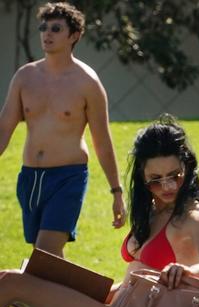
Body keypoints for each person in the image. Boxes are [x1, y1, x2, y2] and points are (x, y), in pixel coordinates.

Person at [0, 118, 199, 307]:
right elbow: (133, 282)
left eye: (174, 177)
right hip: (115, 305)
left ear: (187, 168)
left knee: (11, 283)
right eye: (155, 180)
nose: (167, 186)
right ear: (142, 177)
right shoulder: (153, 211)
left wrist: (185, 271)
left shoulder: (193, 216)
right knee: (12, 277)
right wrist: (86, 288)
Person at [0, 2, 125, 257]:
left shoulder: (87, 83)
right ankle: (83, 296)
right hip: (31, 179)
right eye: (44, 28)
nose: (47, 34)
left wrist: (116, 191)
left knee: (44, 253)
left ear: (74, 35)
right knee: (50, 258)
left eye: (56, 29)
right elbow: (4, 128)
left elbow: (102, 140)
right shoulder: (25, 77)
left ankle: (30, 295)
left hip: (69, 177)